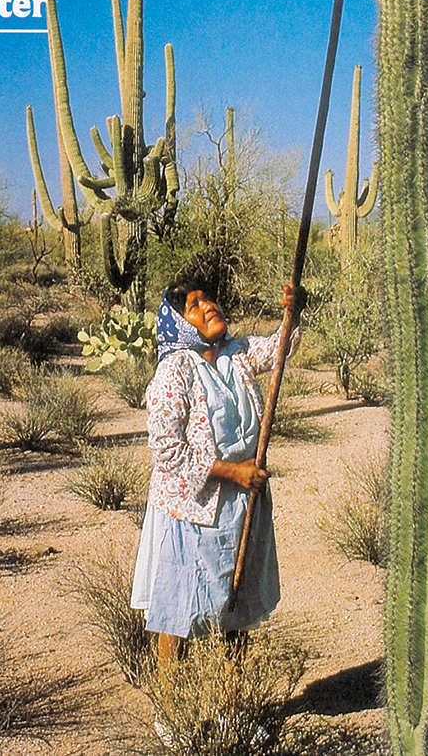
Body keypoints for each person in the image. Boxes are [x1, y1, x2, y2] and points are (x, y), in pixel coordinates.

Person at [130, 281, 304, 680]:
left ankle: (231, 706)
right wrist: (231, 472)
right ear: (179, 322)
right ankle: (171, 710)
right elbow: (166, 449)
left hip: (243, 504)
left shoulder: (236, 355)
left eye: (209, 298)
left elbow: (280, 348)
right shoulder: (174, 371)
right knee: (178, 611)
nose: (208, 306)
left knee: (236, 608)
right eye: (194, 305)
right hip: (192, 508)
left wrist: (293, 312)